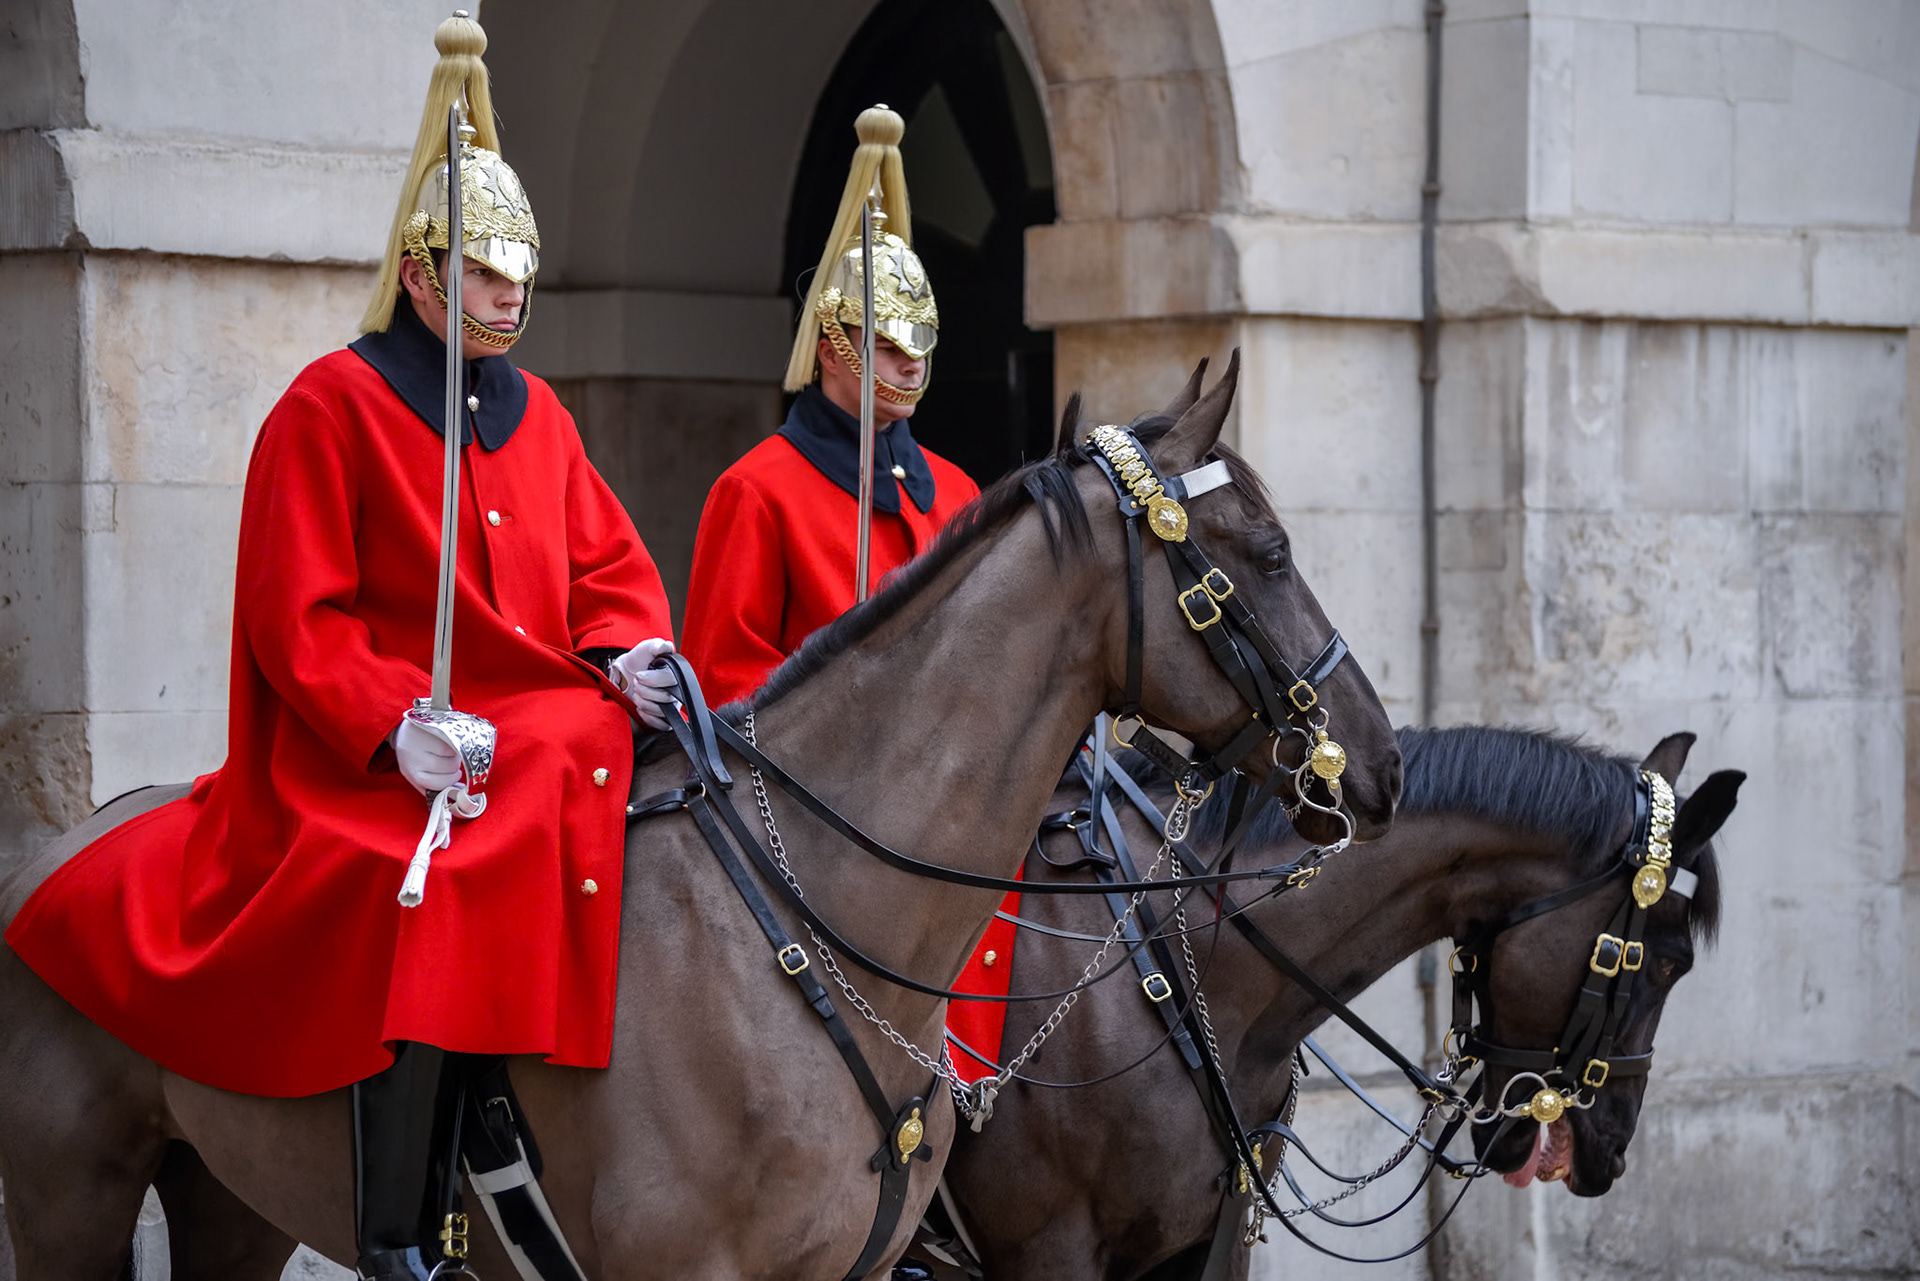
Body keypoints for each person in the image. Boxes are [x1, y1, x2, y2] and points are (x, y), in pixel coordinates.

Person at [5, 13, 677, 1279]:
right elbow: (292, 619)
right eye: (486, 274)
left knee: (608, 777)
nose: (511, 295)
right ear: (425, 274)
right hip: (365, 762)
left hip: (536, 721)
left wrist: (632, 650)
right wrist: (392, 722)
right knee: (439, 874)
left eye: (522, 274)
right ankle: (402, 1226)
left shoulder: (541, 423)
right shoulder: (331, 406)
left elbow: (609, 575)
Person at [680, 105, 981, 708]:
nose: (911, 363)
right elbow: (725, 675)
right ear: (832, 352)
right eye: (889, 344)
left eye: (919, 344)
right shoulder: (756, 490)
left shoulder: (959, 493)